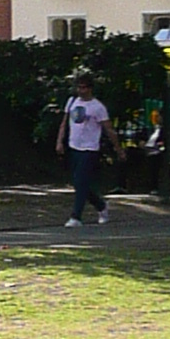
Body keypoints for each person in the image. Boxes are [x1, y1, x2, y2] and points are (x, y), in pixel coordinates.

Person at [57, 69, 119, 226]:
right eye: (79, 87)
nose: (81, 91)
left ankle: (76, 216)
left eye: (84, 87)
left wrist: (118, 148)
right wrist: (60, 141)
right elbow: (64, 123)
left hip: (89, 148)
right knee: (79, 183)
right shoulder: (72, 102)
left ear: (90, 88)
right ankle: (101, 205)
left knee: (81, 181)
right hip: (74, 146)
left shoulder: (97, 107)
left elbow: (108, 128)